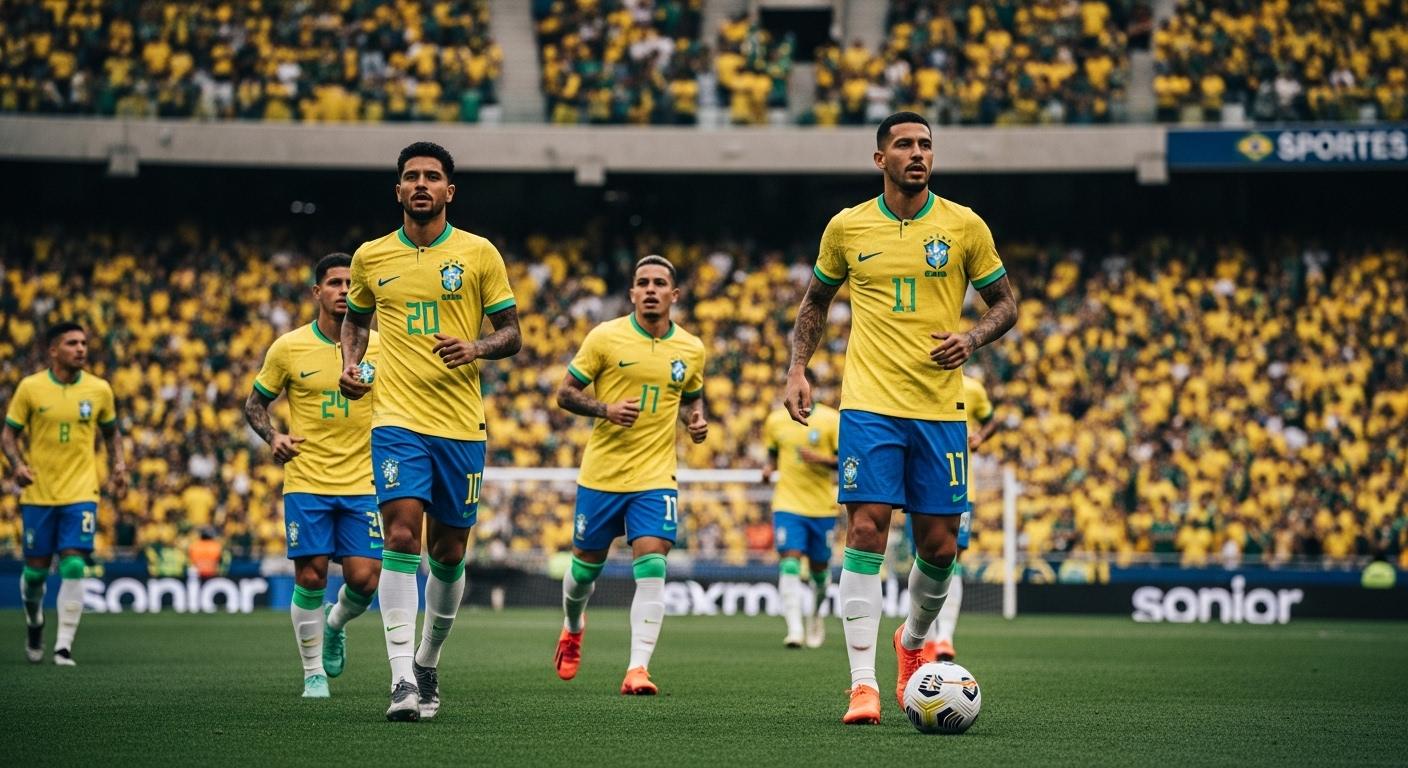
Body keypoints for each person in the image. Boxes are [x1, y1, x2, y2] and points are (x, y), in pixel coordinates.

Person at [783, 111, 1018, 725]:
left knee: (939, 548)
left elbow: (1006, 304)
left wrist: (973, 339)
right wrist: (796, 369)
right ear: (879, 158)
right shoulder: (847, 226)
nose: (917, 153)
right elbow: (814, 303)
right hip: (869, 405)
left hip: (941, 410)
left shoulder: (963, 225)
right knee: (866, 531)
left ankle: (912, 643)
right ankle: (863, 686)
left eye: (926, 145)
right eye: (904, 145)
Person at [339, 141, 521, 721]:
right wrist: (351, 364)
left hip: (461, 425)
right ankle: (399, 681)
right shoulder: (371, 257)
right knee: (399, 536)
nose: (421, 184)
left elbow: (512, 333)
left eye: (432, 177)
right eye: (411, 176)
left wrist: (476, 346)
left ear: (449, 191)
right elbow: (354, 320)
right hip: (396, 419)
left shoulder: (478, 253)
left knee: (448, 552)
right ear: (398, 190)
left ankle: (427, 659)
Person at [552, 255, 708, 695]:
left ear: (674, 295)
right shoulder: (605, 337)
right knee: (584, 571)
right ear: (633, 293)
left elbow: (693, 399)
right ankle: (572, 625)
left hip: (656, 476)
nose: (652, 289)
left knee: (653, 563)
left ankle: (637, 667)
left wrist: (695, 422)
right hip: (602, 475)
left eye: (661, 283)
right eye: (644, 283)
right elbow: (564, 393)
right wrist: (606, 409)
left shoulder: (691, 348)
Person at [246, 252, 383, 699]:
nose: (344, 290)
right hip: (307, 481)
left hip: (363, 482)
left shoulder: (380, 346)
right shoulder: (288, 348)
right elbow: (254, 405)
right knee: (310, 576)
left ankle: (335, 622)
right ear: (317, 292)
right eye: (335, 283)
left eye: (351, 283)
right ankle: (312, 674)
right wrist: (273, 438)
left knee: (365, 580)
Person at [2, 322, 126, 666]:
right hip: (39, 492)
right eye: (72, 343)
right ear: (53, 350)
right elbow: (8, 435)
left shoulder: (99, 389)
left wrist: (120, 467)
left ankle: (63, 646)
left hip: (81, 490)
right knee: (35, 573)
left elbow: (112, 433)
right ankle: (34, 622)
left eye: (84, 342)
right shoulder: (30, 388)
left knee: (73, 563)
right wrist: (17, 464)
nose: (81, 348)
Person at [914, 369, 1002, 662]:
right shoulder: (916, 377)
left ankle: (944, 638)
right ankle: (922, 636)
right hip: (921, 483)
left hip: (961, 485)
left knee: (952, 557)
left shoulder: (973, 388)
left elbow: (991, 420)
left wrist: (980, 437)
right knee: (926, 557)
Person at [762, 368, 840, 649]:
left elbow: (848, 460)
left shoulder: (832, 420)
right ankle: (794, 628)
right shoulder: (775, 421)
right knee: (790, 561)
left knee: (820, 571)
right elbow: (772, 454)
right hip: (788, 504)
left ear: (812, 387)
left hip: (822, 507)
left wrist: (820, 460)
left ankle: (815, 616)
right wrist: (768, 470)